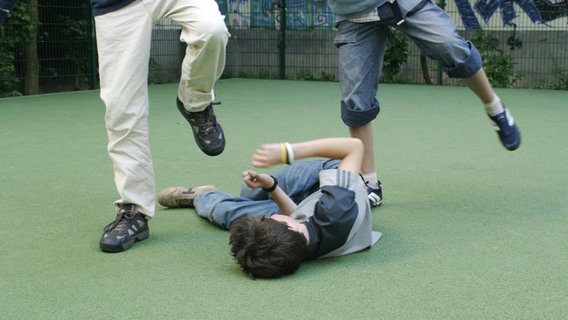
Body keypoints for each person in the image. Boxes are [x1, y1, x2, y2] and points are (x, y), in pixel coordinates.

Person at [1, 0, 230, 252]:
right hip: (117, 5)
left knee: (212, 29)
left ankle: (195, 102)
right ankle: (134, 211)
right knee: (122, 109)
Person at [327, 0, 522, 207]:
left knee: (449, 45)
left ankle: (494, 108)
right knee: (355, 99)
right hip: (353, 14)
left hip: (402, 3)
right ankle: (369, 182)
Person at [158, 138, 383, 278]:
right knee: (248, 192)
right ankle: (224, 196)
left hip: (314, 205)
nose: (271, 215)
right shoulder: (335, 210)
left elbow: (296, 216)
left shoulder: (298, 246)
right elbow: (353, 148)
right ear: (293, 229)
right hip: (331, 179)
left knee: (232, 211)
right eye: (270, 219)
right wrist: (287, 152)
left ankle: (203, 195)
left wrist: (272, 186)